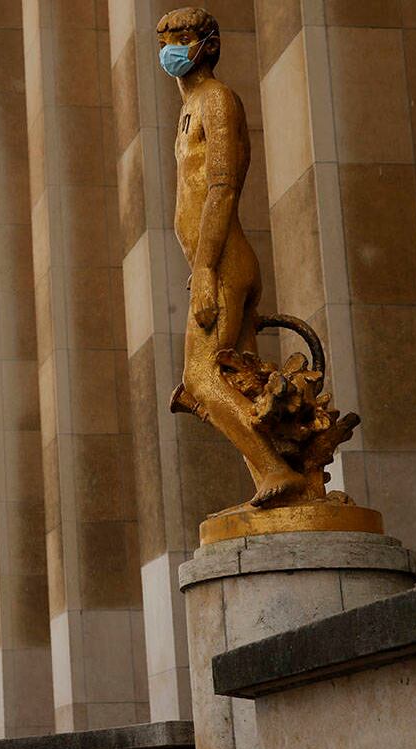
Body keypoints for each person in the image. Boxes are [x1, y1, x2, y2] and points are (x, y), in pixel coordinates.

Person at [159, 6, 307, 507]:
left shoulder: (218, 100)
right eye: (163, 41)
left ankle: (273, 472)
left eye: (180, 39)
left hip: (223, 264)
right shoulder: (190, 105)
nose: (169, 50)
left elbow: (222, 186)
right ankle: (282, 480)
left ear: (209, 45)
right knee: (239, 386)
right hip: (214, 263)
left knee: (200, 379)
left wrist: (204, 269)